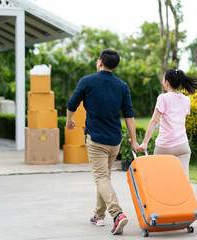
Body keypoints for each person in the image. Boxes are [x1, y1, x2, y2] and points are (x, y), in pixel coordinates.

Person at [66, 49, 140, 235]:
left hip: (96, 140)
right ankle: (99, 215)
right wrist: (134, 141)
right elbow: (129, 115)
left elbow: (71, 104)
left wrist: (69, 122)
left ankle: (117, 214)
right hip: (115, 140)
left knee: (100, 177)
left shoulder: (87, 81)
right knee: (104, 176)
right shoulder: (122, 86)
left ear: (100, 62)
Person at [140, 69, 197, 178]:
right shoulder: (186, 100)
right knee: (183, 181)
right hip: (182, 146)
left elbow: (153, 121)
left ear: (166, 83)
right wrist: (163, 126)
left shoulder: (163, 98)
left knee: (160, 180)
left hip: (164, 147)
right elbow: (177, 119)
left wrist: (144, 143)